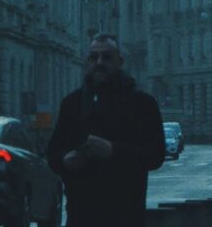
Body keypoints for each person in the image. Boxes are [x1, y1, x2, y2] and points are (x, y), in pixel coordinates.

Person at [47, 34, 165, 227]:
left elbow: (156, 155)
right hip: (81, 215)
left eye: (107, 57)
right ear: (87, 61)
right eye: (94, 57)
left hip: (125, 215)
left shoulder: (142, 104)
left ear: (120, 61)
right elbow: (53, 153)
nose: (99, 63)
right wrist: (65, 160)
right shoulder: (72, 103)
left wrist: (113, 150)